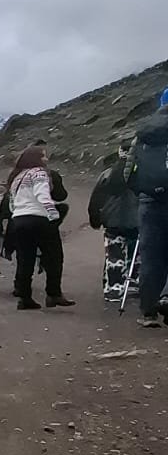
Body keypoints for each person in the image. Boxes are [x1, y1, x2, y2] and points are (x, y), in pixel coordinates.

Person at [5, 146, 74, 310]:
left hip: (19, 220)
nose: (46, 160)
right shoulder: (39, 173)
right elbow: (42, 194)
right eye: (43, 157)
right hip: (39, 218)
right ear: (36, 159)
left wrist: (17, 214)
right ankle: (53, 294)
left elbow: (12, 202)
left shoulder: (17, 177)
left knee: (25, 259)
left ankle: (24, 297)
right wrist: (52, 213)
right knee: (54, 256)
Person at [127, 88, 168, 328]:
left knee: (151, 257)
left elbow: (128, 172)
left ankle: (148, 312)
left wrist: (144, 193)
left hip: (150, 202)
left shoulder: (144, 133)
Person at [88, 150, 140, 303]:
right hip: (136, 220)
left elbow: (96, 200)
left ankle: (113, 288)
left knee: (114, 255)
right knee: (135, 253)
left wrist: (95, 219)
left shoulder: (107, 174)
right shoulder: (141, 174)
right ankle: (133, 282)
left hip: (112, 221)